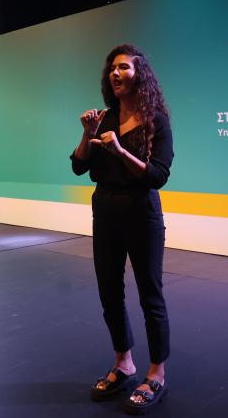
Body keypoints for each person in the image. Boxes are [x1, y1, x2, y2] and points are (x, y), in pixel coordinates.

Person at [71, 44, 174, 414]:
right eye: (112, 68)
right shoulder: (104, 118)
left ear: (139, 73)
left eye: (124, 67)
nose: (116, 73)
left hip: (141, 212)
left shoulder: (156, 120)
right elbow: (78, 167)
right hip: (106, 212)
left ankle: (157, 374)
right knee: (109, 293)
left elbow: (158, 175)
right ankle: (124, 364)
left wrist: (120, 151)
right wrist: (88, 133)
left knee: (150, 296)